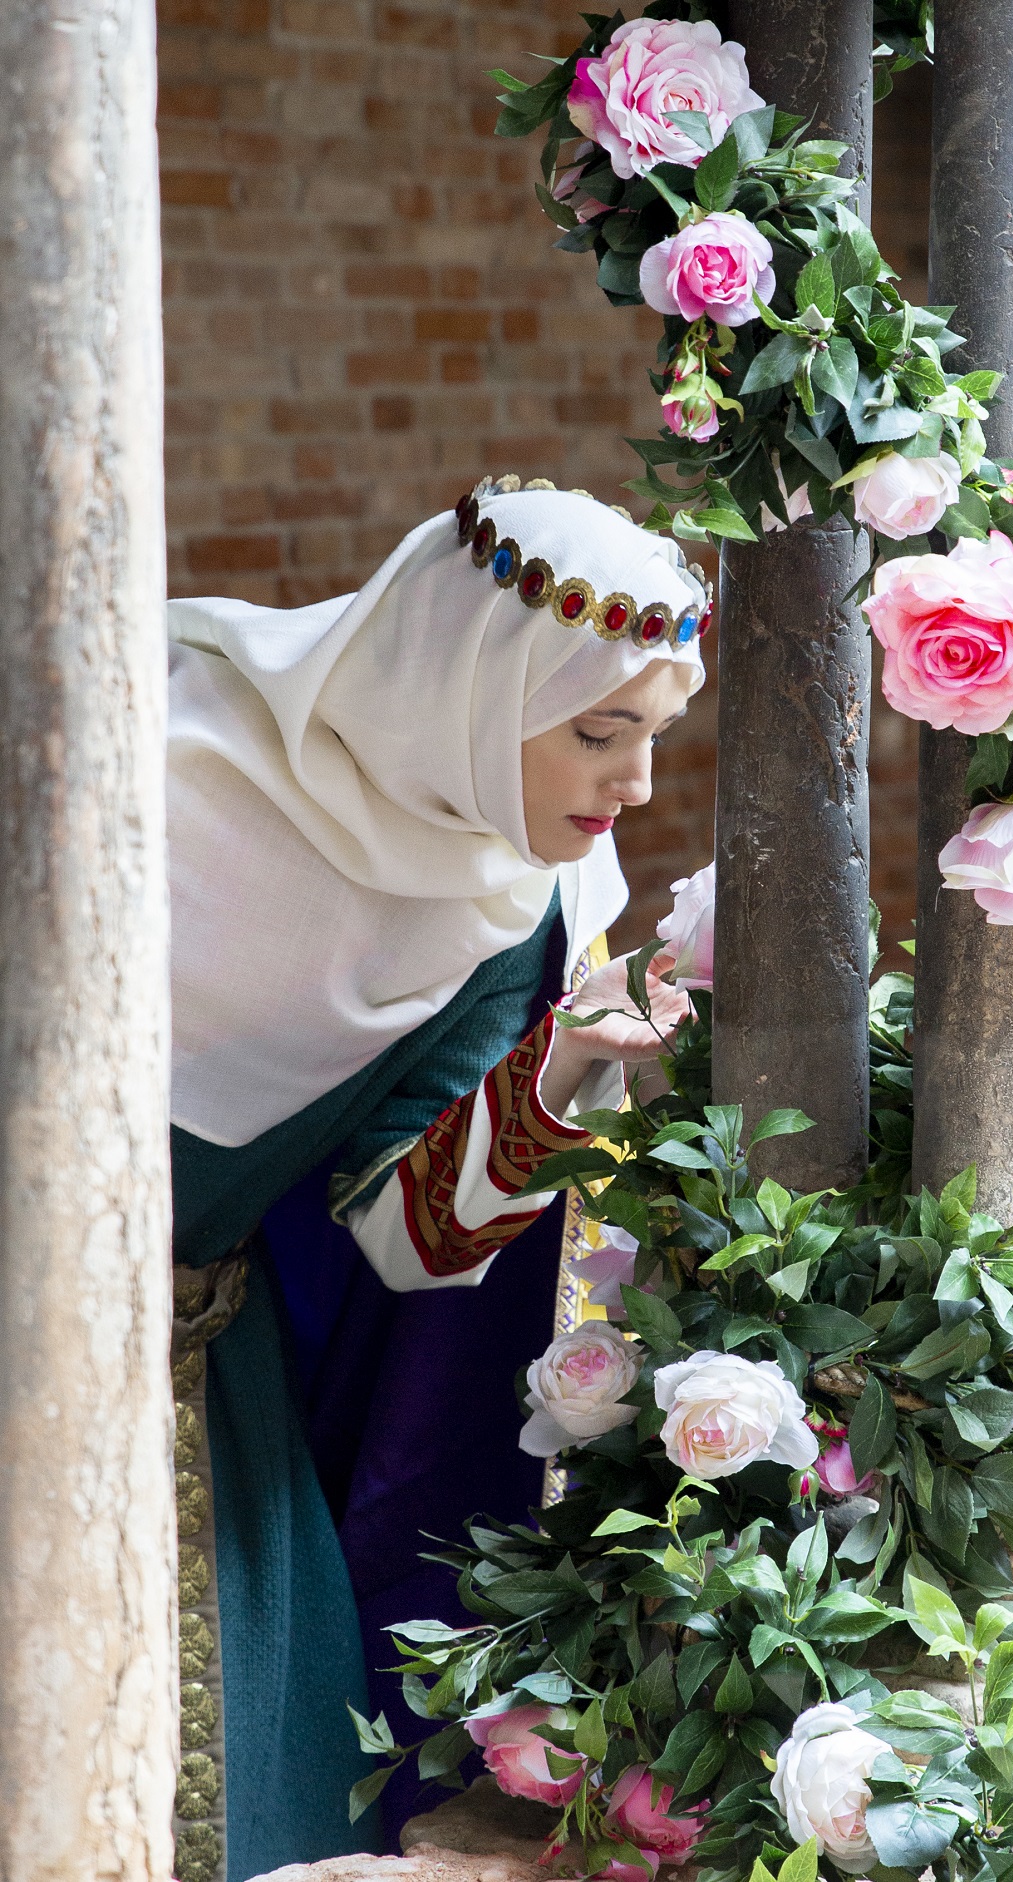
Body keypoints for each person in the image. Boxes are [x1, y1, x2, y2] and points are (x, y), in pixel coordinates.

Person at [166, 479, 710, 1882]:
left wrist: (568, 1053)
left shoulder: (499, 907)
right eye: (601, 731)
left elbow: (406, 1231)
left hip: (181, 1397)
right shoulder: (170, 768)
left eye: (655, 734)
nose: (636, 784)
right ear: (470, 686)